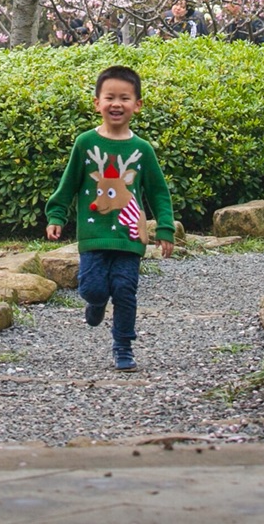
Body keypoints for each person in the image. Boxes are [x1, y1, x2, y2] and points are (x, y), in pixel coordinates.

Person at [44, 65, 176, 372]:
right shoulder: (85, 143)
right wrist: (57, 214)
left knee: (125, 289)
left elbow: (158, 192)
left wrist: (165, 227)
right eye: (110, 97)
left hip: (129, 236)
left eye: (125, 98)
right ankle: (96, 304)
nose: (116, 104)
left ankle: (123, 346)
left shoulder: (141, 150)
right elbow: (70, 184)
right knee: (92, 288)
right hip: (94, 234)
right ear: (97, 103)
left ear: (137, 105)